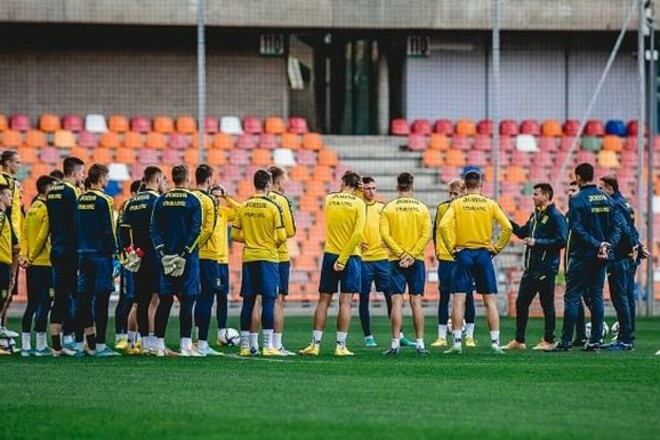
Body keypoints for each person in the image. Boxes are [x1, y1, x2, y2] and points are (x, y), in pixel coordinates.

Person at [546, 163, 623, 352]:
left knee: (572, 297)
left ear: (578, 177)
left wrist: (597, 244)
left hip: (582, 255)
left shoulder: (577, 199)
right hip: (602, 255)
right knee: (596, 296)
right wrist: (606, 244)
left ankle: (565, 342)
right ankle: (595, 340)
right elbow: (617, 227)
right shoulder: (607, 199)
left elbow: (577, 229)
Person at [439, 169, 512, 355]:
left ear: (465, 185)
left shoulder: (457, 203)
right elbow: (507, 227)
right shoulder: (490, 204)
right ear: (481, 184)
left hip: (463, 253)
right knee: (489, 300)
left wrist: (451, 248)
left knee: (458, 300)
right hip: (483, 254)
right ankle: (495, 343)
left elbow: (443, 225)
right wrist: (496, 248)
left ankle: (456, 344)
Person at [299, 171, 365, 356]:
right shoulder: (359, 203)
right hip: (350, 256)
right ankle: (340, 346)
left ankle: (315, 344)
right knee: (345, 303)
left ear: (343, 182)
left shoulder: (330, 199)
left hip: (330, 254)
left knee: (323, 301)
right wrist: (343, 259)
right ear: (358, 186)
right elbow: (358, 234)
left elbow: (340, 197)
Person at [501, 183, 567, 351]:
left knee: (547, 305)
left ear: (546, 196)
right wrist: (505, 220)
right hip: (531, 268)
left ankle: (548, 339)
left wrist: (537, 242)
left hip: (546, 269)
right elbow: (523, 232)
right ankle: (519, 340)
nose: (533, 196)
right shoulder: (535, 215)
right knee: (521, 303)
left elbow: (561, 241)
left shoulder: (555, 216)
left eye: (536, 194)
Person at [231, 169, 286, 356]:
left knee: (248, 301)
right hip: (268, 258)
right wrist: (268, 241)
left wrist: (251, 239)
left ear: (254, 183)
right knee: (269, 300)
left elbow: (234, 234)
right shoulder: (273, 207)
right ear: (269, 184)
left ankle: (245, 346)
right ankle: (268, 346)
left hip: (249, 258)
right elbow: (281, 236)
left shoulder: (244, 206)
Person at [150, 164, 202, 357]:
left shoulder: (161, 200)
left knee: (165, 301)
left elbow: (153, 229)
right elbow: (197, 230)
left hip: (166, 258)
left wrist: (163, 254)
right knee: (187, 301)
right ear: (187, 178)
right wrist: (185, 255)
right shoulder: (193, 200)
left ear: (172, 178)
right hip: (187, 260)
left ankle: (159, 345)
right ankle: (185, 346)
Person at [379, 172, 432, 355]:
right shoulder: (422, 208)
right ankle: (420, 344)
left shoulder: (389, 208)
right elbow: (427, 235)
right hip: (416, 259)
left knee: (396, 302)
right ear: (412, 186)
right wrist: (412, 254)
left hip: (395, 260)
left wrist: (401, 254)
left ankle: (395, 345)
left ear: (397, 187)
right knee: (416, 302)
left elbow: (385, 235)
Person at [118, 166, 167, 355]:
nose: (164, 184)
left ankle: (145, 343)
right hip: (154, 255)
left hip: (138, 256)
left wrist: (131, 250)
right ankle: (154, 343)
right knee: (156, 298)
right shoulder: (158, 201)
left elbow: (123, 229)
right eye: (163, 180)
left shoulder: (131, 202)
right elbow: (160, 229)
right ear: (156, 180)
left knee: (141, 300)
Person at [75, 164, 119, 357]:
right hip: (100, 256)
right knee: (101, 300)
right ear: (101, 178)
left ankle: (86, 343)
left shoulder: (80, 199)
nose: (108, 181)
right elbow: (108, 229)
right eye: (107, 177)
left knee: (84, 299)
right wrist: (115, 254)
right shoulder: (105, 200)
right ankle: (99, 346)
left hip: (83, 254)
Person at [598, 176, 645, 351]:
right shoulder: (624, 202)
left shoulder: (615, 204)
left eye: (602, 188)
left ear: (609, 188)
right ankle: (627, 336)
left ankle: (625, 340)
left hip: (619, 257)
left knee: (620, 298)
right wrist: (637, 247)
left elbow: (623, 230)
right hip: (629, 256)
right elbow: (632, 230)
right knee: (627, 297)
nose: (600, 192)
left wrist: (611, 246)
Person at [432, 178, 477, 348]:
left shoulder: (468, 208)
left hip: (464, 258)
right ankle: (441, 336)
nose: (452, 197)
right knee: (444, 296)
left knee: (469, 297)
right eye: (450, 193)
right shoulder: (442, 208)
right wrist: (438, 250)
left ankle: (470, 336)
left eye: (455, 194)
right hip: (446, 258)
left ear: (464, 193)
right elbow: (435, 230)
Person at [47, 156, 85, 356]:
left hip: (56, 248)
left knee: (60, 297)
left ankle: (56, 346)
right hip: (71, 250)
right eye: (82, 172)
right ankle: (79, 341)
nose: (83, 176)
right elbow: (76, 223)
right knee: (76, 296)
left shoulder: (52, 191)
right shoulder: (72, 192)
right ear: (74, 172)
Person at [19, 175, 57, 356]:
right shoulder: (47, 209)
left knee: (32, 303)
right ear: (47, 188)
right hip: (44, 263)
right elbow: (43, 236)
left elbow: (24, 235)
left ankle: (26, 345)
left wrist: (25, 256)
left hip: (31, 265)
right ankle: (41, 346)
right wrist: (32, 256)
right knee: (45, 302)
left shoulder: (32, 207)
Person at [191, 164, 222, 356]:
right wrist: (195, 244)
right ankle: (201, 344)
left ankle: (190, 341)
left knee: (191, 298)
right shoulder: (210, 201)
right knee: (206, 299)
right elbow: (208, 229)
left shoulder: (191, 197)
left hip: (192, 256)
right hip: (208, 256)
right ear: (209, 180)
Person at [265, 165, 297, 355]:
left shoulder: (258, 199)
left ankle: (252, 344)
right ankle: (275, 344)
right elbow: (290, 231)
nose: (287, 182)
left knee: (260, 300)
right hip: (279, 255)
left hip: (259, 254)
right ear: (277, 181)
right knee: (278, 300)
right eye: (285, 179)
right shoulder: (281, 201)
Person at [114, 179, 142, 351]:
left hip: (139, 258)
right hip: (128, 259)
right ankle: (121, 336)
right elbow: (121, 232)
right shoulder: (127, 207)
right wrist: (123, 254)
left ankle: (135, 337)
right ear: (133, 193)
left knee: (137, 298)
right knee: (128, 297)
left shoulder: (140, 207)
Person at [0, 151, 22, 339]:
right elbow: (9, 212)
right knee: (8, 284)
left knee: (8, 286)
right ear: (7, 163)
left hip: (12, 235)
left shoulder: (12, 182)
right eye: (17, 162)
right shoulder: (8, 183)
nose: (19, 165)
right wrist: (15, 239)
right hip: (10, 237)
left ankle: (3, 328)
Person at [0, 185, 17, 355]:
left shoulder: (4, 216)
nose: (11, 198)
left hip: (4, 262)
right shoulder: (0, 215)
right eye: (8, 195)